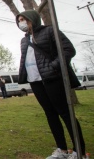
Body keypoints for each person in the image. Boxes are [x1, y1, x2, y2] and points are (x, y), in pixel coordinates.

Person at [16, 10, 86, 159]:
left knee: (65, 113)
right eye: (19, 20)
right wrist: (23, 74)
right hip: (35, 80)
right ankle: (62, 149)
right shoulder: (24, 39)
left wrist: (54, 66)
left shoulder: (49, 31)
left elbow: (68, 49)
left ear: (32, 19)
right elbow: (26, 58)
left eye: (23, 19)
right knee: (50, 114)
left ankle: (79, 151)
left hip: (52, 78)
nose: (21, 22)